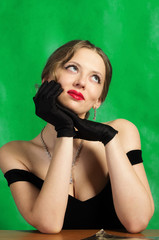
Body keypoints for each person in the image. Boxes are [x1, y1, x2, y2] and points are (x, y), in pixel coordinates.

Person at [0, 40, 154, 234]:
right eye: (73, 68)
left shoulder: (122, 133)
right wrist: (64, 130)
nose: (81, 82)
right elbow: (49, 223)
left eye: (95, 78)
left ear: (98, 100)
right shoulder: (14, 153)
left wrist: (109, 139)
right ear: (48, 78)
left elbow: (137, 222)